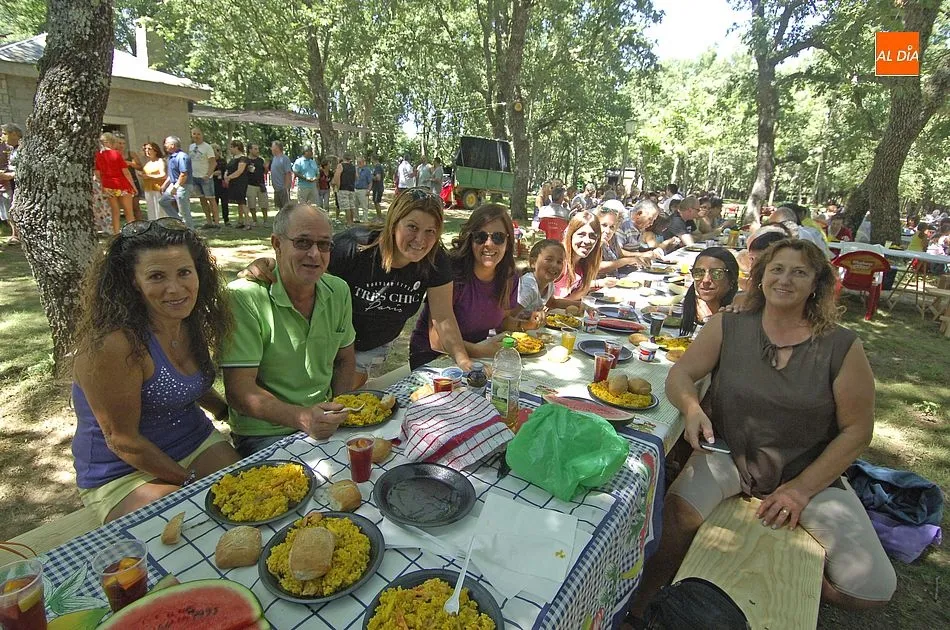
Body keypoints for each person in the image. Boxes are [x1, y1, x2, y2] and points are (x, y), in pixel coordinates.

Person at [628, 239, 896, 621]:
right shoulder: (729, 325)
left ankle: (781, 575)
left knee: (872, 588)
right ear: (761, 276)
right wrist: (690, 409)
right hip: (730, 455)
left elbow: (857, 431)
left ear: (817, 284)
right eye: (777, 269)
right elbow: (682, 374)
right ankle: (641, 607)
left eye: (799, 272)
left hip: (805, 470)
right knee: (678, 517)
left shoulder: (842, 346)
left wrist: (800, 491)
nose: (785, 279)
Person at [70, 217, 241, 523]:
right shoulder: (114, 343)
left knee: (253, 496)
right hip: (122, 470)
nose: (175, 289)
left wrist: (231, 414)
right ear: (134, 281)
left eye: (184, 272)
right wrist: (190, 483)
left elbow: (188, 384)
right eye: (157, 276)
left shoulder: (188, 320)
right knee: (191, 523)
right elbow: (122, 440)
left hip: (194, 440)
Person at [237, 188, 476, 387]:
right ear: (394, 223)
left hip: (371, 347)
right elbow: (306, 266)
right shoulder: (355, 247)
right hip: (329, 339)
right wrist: (269, 263)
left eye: (430, 231)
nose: (420, 240)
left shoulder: (435, 260)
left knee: (343, 398)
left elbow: (443, 317)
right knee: (311, 398)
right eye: (412, 227)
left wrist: (463, 361)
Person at [221, 204, 355, 456]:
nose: (315, 254)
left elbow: (345, 360)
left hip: (323, 419)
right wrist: (303, 418)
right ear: (277, 244)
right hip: (265, 432)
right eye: (303, 242)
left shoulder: (339, 290)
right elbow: (239, 392)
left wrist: (338, 408)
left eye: (324, 244)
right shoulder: (244, 297)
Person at [409, 203, 520, 369]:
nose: (489, 244)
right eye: (480, 237)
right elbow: (436, 340)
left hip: (476, 357)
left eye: (498, 237)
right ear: (470, 239)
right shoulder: (450, 273)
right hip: (433, 358)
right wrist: (480, 350)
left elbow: (502, 321)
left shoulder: (509, 278)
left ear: (508, 241)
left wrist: (525, 325)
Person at [678, 247, 740, 337]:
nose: (706, 280)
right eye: (699, 272)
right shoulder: (685, 308)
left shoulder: (736, 314)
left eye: (716, 273)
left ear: (732, 280)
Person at [510, 239, 566, 330]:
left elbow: (552, 302)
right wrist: (527, 324)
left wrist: (581, 305)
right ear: (533, 262)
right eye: (549, 260)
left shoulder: (549, 283)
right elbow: (505, 319)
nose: (555, 265)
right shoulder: (529, 287)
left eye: (559, 262)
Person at [554, 210, 605, 301]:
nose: (587, 241)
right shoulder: (558, 260)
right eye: (581, 235)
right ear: (570, 235)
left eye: (592, 236)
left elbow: (579, 293)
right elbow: (542, 299)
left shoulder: (586, 263)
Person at [597, 201, 658, 276]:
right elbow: (597, 267)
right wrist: (629, 260)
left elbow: (619, 254)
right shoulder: (593, 241)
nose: (607, 230)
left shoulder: (612, 237)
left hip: (615, 279)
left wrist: (638, 258)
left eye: (612, 226)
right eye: (604, 225)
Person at [95, 132, 138, 234]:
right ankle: (132, 233)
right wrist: (134, 186)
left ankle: (115, 234)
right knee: (129, 211)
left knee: (115, 212)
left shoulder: (98, 156)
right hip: (122, 184)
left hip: (108, 186)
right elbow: (126, 172)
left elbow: (97, 173)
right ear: (110, 142)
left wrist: (103, 185)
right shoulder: (116, 154)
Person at [159, 136, 194, 228]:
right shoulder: (171, 157)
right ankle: (178, 222)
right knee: (163, 201)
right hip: (174, 184)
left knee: (184, 212)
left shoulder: (182, 157)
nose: (164, 145)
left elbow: (183, 174)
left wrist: (176, 187)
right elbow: (172, 174)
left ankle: (190, 232)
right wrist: (165, 185)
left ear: (172, 145)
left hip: (183, 185)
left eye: (166, 143)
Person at [188, 128, 220, 227]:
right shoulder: (191, 147)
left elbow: (213, 162)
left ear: (202, 135)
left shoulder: (207, 147)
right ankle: (208, 221)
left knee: (211, 199)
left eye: (198, 134)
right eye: (194, 134)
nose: (196, 136)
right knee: (202, 200)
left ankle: (217, 222)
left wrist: (208, 174)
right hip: (195, 177)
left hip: (206, 178)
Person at [0, 123, 22, 245]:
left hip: (21, 187)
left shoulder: (23, 147)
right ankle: (15, 235)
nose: (2, 137)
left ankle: (18, 236)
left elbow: (26, 169)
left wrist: (7, 175)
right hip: (14, 184)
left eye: (4, 134)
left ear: (14, 134)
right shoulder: (13, 149)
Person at [224, 140, 251, 230]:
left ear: (236, 147)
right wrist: (226, 176)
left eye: (232, 147)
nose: (230, 149)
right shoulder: (233, 158)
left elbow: (239, 171)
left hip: (240, 183)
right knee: (238, 203)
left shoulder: (243, 158)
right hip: (233, 183)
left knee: (242, 202)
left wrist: (229, 177)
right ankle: (240, 221)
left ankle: (248, 222)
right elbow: (228, 169)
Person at [138, 142, 166, 221]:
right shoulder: (148, 163)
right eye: (145, 149)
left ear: (155, 150)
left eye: (149, 149)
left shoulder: (160, 161)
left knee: (159, 211)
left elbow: (163, 175)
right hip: (148, 189)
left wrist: (149, 176)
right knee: (151, 211)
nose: (147, 151)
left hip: (157, 189)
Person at [246, 143, 269, 226]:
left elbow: (265, 172)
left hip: (261, 185)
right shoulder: (246, 160)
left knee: (264, 204)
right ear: (250, 150)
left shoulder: (260, 160)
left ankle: (265, 221)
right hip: (250, 185)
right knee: (251, 204)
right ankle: (255, 220)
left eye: (257, 149)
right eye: (255, 149)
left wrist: (266, 168)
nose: (257, 151)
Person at [334, 153, 357, 225]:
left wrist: (338, 187)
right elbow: (356, 177)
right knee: (351, 206)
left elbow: (337, 177)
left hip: (343, 188)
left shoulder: (340, 165)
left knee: (347, 206)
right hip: (351, 188)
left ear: (343, 158)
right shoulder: (353, 167)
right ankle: (352, 221)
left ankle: (349, 222)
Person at [269, 141, 293, 210]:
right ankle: (281, 220)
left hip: (283, 188)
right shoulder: (274, 158)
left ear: (277, 148)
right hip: (276, 188)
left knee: (286, 208)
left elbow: (288, 173)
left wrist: (286, 187)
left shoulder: (284, 158)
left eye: (272, 147)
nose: (271, 149)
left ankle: (288, 220)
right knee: (280, 207)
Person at [212, 144, 229, 226]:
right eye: (216, 150)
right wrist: (212, 173)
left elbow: (225, 170)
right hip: (213, 183)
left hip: (222, 184)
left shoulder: (222, 161)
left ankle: (226, 219)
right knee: (214, 202)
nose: (218, 152)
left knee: (225, 202)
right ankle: (214, 219)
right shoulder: (210, 161)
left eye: (219, 150)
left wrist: (220, 172)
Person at [354, 156, 373, 222]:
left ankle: (365, 219)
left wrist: (368, 190)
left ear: (363, 162)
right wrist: (356, 170)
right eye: (357, 162)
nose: (358, 163)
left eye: (360, 162)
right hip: (355, 189)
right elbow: (356, 179)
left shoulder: (367, 170)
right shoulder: (356, 169)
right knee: (355, 205)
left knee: (364, 206)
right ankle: (356, 218)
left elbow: (370, 181)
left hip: (363, 190)